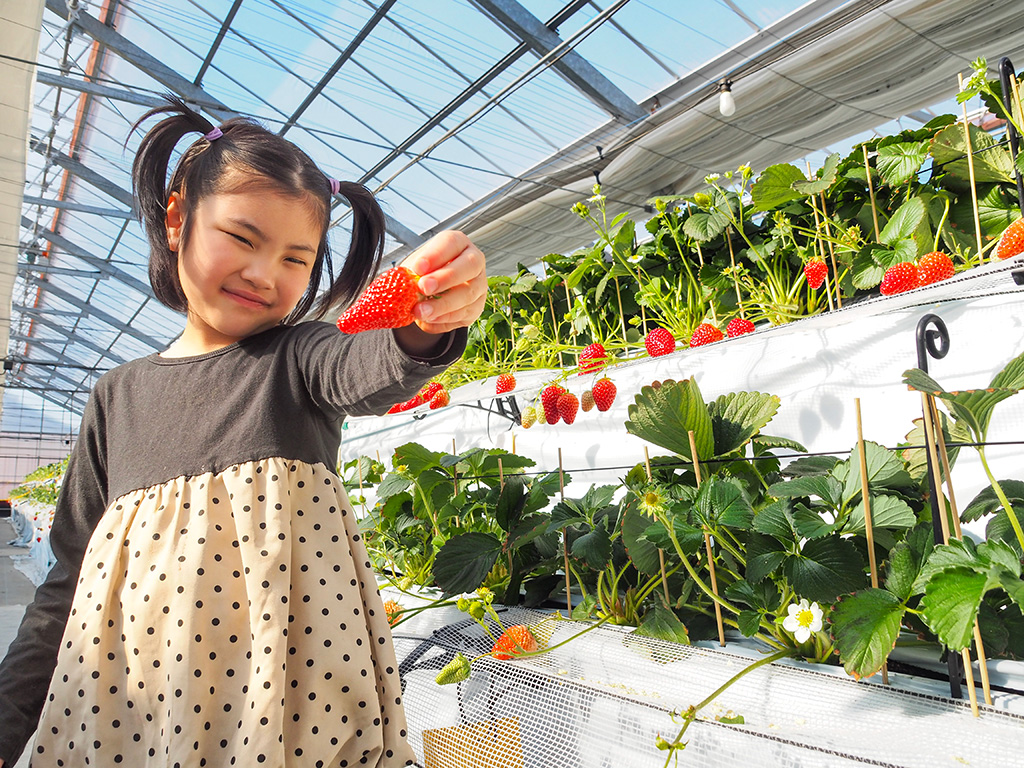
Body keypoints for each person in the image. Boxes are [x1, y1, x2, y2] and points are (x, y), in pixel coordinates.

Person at [0, 97, 486, 767]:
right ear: (178, 220)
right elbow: (70, 575)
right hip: (132, 721)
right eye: (242, 237)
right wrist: (8, 719)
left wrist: (424, 325)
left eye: (296, 258)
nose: (265, 275)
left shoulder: (296, 362)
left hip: (284, 718)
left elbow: (368, 369)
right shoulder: (118, 397)